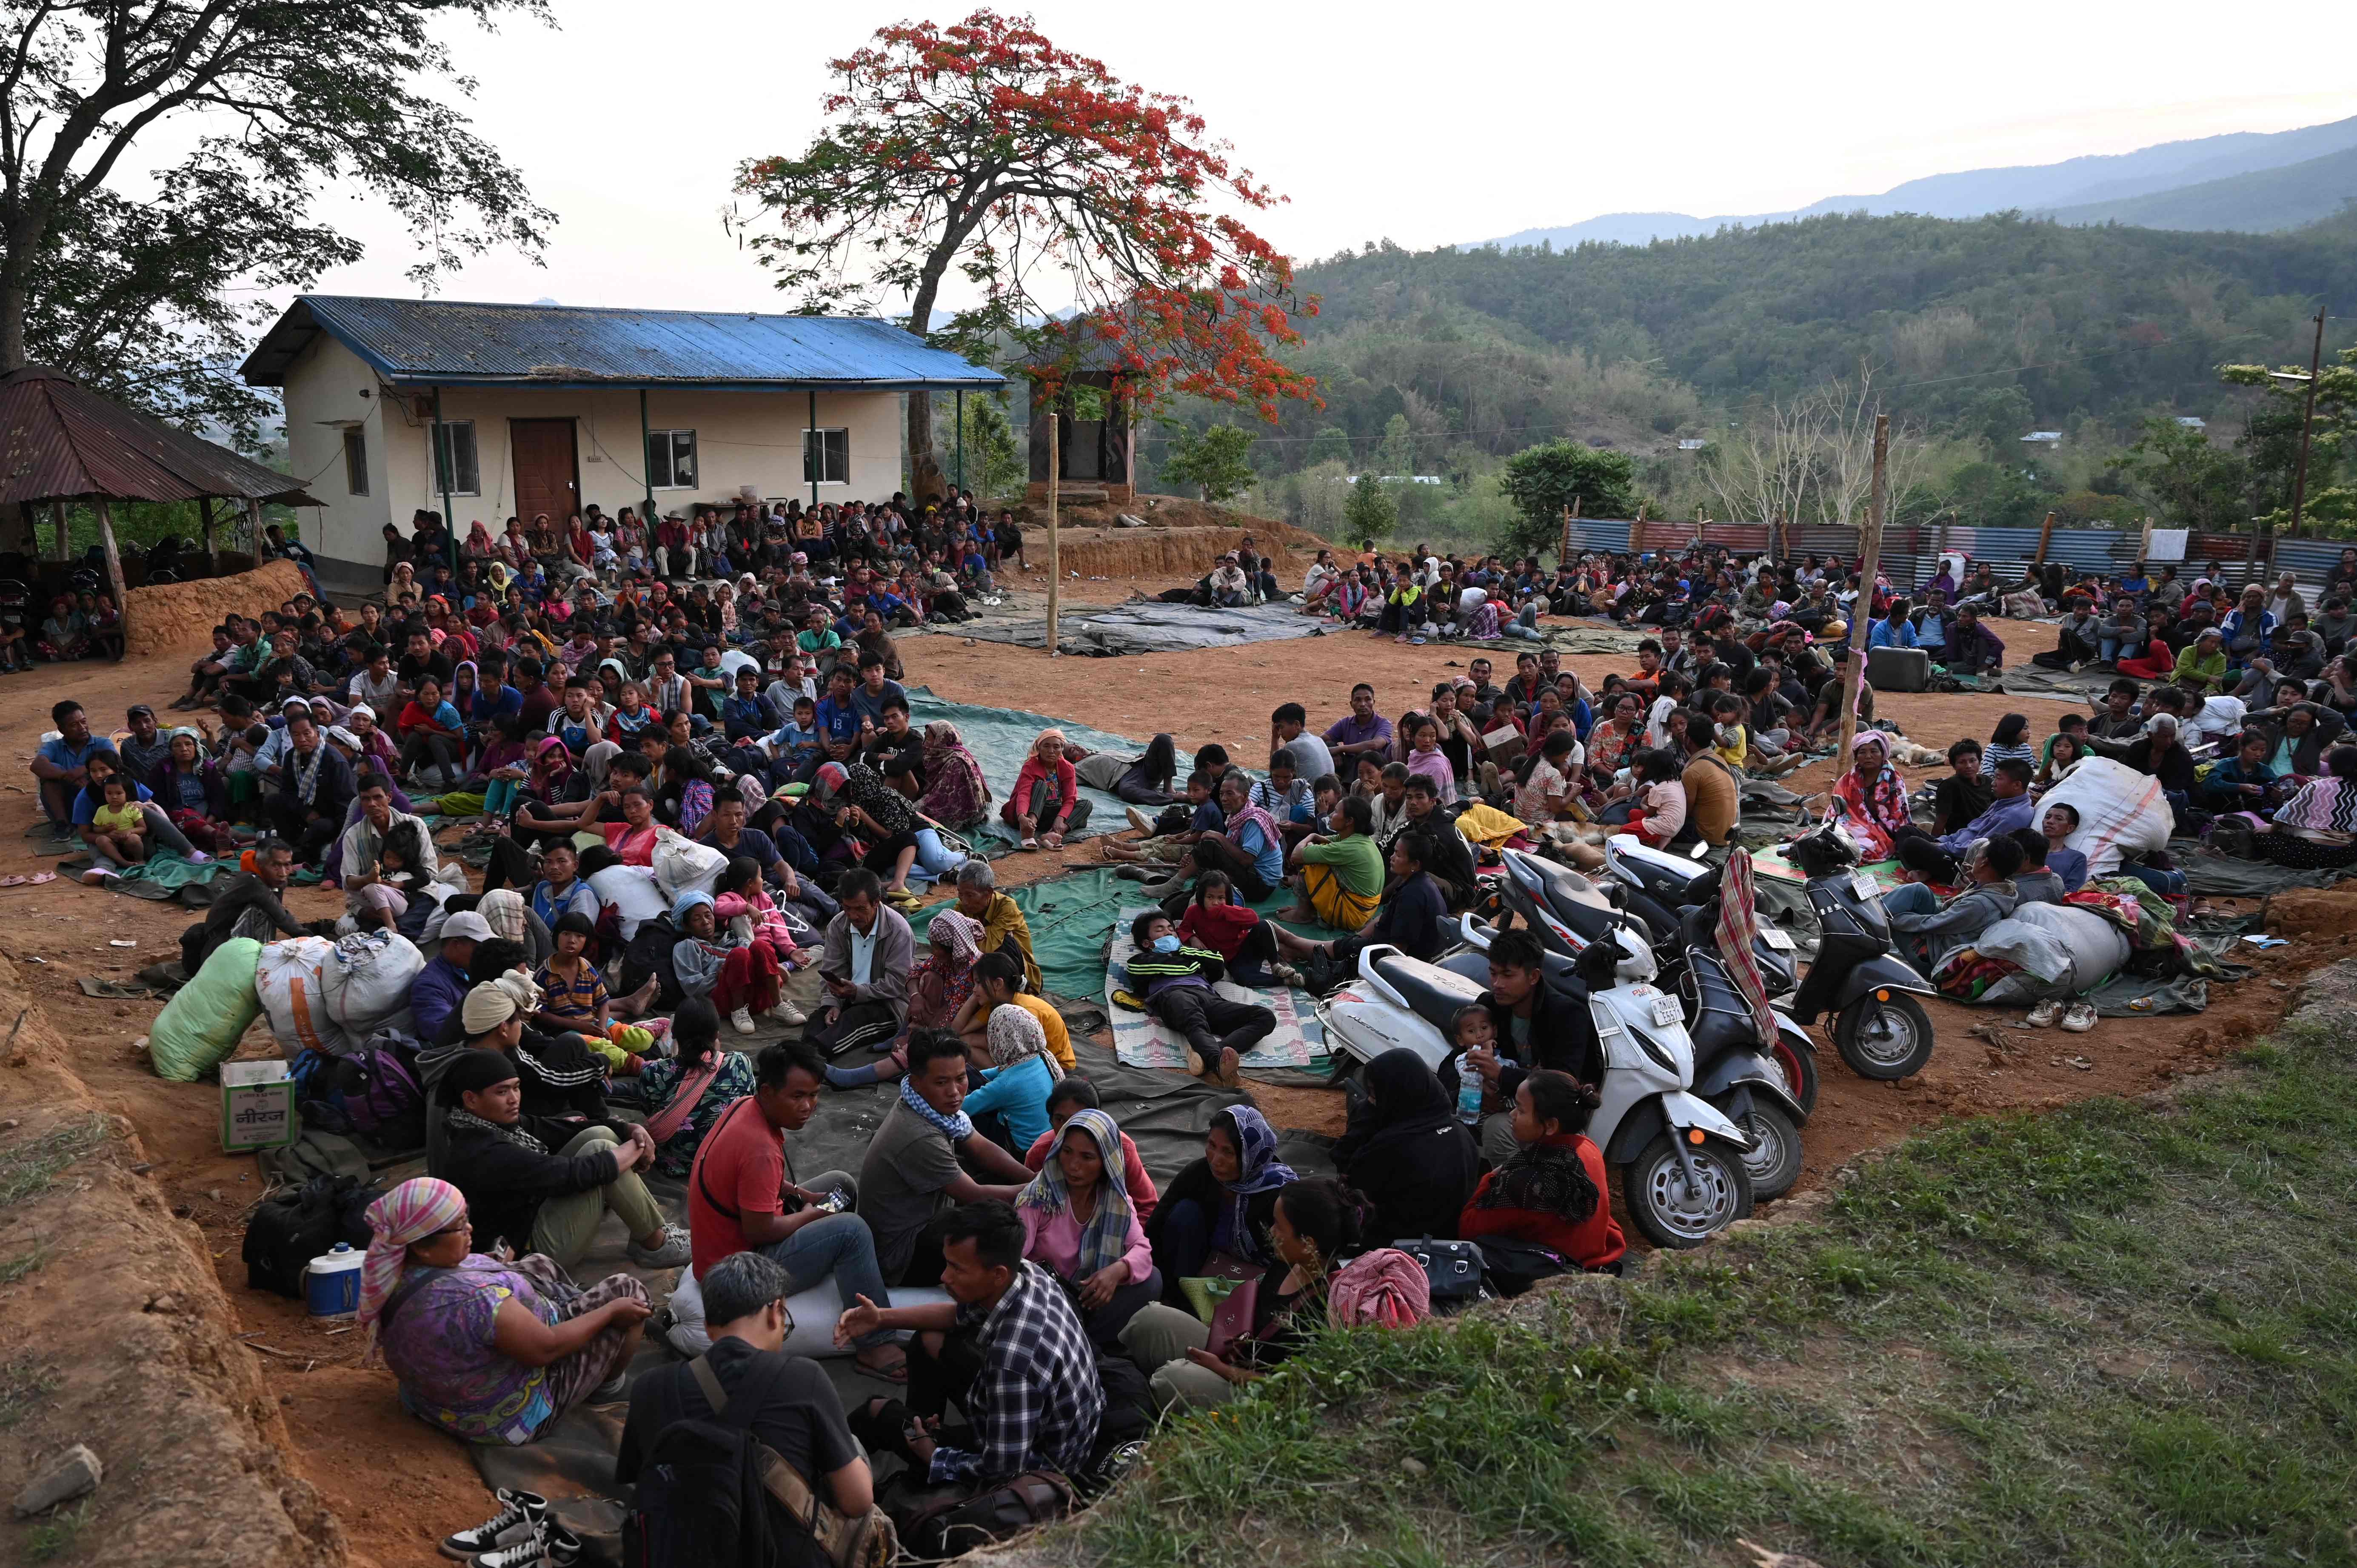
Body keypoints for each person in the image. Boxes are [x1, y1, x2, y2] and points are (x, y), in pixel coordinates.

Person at [360, 1176, 653, 1447]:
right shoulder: (474, 1300)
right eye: (460, 1226)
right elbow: (547, 1349)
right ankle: (606, 1387)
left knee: (539, 1263)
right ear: (423, 1247)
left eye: (466, 1219)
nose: (470, 1229)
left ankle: (574, 1308)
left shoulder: (391, 1273)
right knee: (627, 1291)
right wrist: (610, 1312)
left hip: (438, 1399)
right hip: (506, 1413)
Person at [838, 1202, 1103, 1495]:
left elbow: (1004, 1472)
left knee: (876, 1412)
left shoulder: (1011, 1361)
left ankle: (876, 1476)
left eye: (957, 1269)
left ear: (997, 1274)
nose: (944, 1277)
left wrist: (935, 1456)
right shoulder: (1028, 1274)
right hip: (1050, 1429)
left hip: (1042, 1472)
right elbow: (957, 1316)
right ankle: (925, 1432)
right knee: (928, 1341)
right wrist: (880, 1319)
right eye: (947, 1263)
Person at [614, 1251, 875, 1549]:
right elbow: (857, 1502)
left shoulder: (649, 1388)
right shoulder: (804, 1378)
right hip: (779, 1555)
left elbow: (640, 1485)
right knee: (852, 1449)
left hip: (677, 1553)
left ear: (709, 1327)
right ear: (776, 1310)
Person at [682, 1041, 908, 1378]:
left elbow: (746, 1184)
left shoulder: (745, 1106)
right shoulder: (760, 1147)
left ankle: (847, 1265)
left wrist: (799, 1193)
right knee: (851, 1228)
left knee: (842, 1184)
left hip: (736, 1246)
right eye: (797, 1096)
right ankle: (875, 1345)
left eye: (814, 1095)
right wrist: (812, 1213)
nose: (808, 1107)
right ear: (769, 1092)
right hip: (735, 1275)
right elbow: (759, 1231)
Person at [437, 1018, 691, 1273]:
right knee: (601, 1153)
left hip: (533, 1209)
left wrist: (629, 1129)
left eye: (516, 1089)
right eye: (502, 1092)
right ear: (470, 1099)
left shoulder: (491, 1122)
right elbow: (572, 1173)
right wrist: (639, 1145)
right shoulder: (480, 1149)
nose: (514, 1099)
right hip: (529, 1252)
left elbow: (556, 1128)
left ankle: (646, 1228)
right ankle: (654, 1243)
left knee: (600, 1132)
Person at [1119, 1177, 1358, 1411]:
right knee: (1151, 1320)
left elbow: (1291, 1389)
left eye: (1278, 1226)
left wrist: (1223, 1370)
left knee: (1171, 1379)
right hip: (1238, 1351)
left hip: (1259, 1396)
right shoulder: (1288, 1262)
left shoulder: (1325, 1308)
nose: (1271, 1231)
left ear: (1308, 1244)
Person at [856, 1030, 1035, 1286]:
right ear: (917, 1082)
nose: (955, 1092)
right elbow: (972, 1195)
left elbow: (980, 1146)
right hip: (901, 1255)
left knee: (998, 1180)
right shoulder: (919, 1135)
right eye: (941, 1083)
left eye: (961, 1078)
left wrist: (1034, 1177)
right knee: (994, 1226)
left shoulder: (928, 1105)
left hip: (929, 1215)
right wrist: (1039, 1190)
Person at [1013, 1107, 1160, 1346]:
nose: (1073, 1166)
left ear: (1106, 1161)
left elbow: (1142, 1249)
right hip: (1045, 1300)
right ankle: (1081, 1347)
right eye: (1068, 1152)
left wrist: (1115, 1272)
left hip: (1088, 1300)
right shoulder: (1039, 1198)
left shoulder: (1115, 1201)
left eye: (1087, 1157)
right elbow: (1013, 1259)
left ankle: (1086, 1346)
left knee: (1151, 1280)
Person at [1456, 1070, 1626, 1275]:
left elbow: (1468, 1227)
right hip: (1594, 1258)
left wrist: (1492, 1177)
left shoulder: (1528, 1185)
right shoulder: (1588, 1149)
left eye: (1520, 1109)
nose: (1512, 1115)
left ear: (1551, 1126)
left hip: (1554, 1272)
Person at [1144, 1104, 1297, 1295]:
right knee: (1184, 1212)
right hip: (1203, 1262)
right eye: (1212, 1146)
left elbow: (1294, 1256)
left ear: (1250, 1154)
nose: (1215, 1160)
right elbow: (1156, 1225)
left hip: (1261, 1279)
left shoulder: (1277, 1192)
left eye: (1228, 1152)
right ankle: (1181, 1295)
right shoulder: (1199, 1174)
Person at [1333, 1048, 1478, 1247]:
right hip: (1451, 1245)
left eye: (1376, 1096)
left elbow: (1346, 1166)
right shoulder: (1460, 1130)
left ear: (1398, 1096)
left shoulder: (1390, 1147)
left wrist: (1365, 1119)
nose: (1371, 1102)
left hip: (1396, 1251)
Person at [1122, 910, 1276, 1086]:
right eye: (1160, 929)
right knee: (1194, 1020)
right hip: (1173, 995)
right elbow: (1179, 968)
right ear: (1146, 943)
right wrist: (1195, 962)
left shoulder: (1186, 953)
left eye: (1171, 929)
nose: (1169, 933)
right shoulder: (1139, 961)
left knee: (1265, 1017)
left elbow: (1218, 962)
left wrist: (1186, 953)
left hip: (1209, 998)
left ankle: (1210, 1054)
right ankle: (1217, 1063)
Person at [613, 998, 756, 1177]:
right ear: (717, 1034)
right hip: (728, 1160)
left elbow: (650, 1109)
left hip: (676, 1163)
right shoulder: (740, 1063)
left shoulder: (653, 1073)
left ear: (673, 1034)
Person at [1882, 833, 2024, 975]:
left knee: (1892, 918)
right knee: (1919, 890)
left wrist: (1894, 918)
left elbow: (1933, 924)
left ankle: (1873, 918)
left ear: (1984, 862)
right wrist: (1974, 883)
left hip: (1932, 955)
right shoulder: (2000, 890)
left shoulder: (1980, 904)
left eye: (1979, 853)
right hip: (1945, 933)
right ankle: (1878, 910)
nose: (1975, 857)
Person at [808, 869, 914, 1056]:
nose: (853, 916)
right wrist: (833, 1003)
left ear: (876, 902)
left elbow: (897, 984)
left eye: (860, 909)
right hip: (847, 996)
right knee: (818, 1021)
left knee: (844, 1029)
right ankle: (801, 1057)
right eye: (847, 908)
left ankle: (810, 1062)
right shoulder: (838, 925)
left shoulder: (899, 931)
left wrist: (858, 992)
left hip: (886, 1004)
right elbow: (832, 971)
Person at [1023, 1078, 1159, 1223]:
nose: (1068, 1128)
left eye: (1079, 1118)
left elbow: (1146, 1206)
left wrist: (1129, 1242)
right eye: (1060, 1119)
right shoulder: (1040, 1152)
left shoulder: (1122, 1150)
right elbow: (1027, 1202)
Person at [672, 889, 791, 1036]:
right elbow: (692, 987)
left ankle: (778, 1004)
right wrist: (718, 976)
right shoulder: (687, 947)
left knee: (760, 946)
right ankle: (738, 1011)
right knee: (739, 954)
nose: (705, 922)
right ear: (686, 926)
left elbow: (758, 959)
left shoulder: (732, 938)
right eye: (697, 919)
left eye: (708, 916)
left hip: (758, 998)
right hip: (726, 1003)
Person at [961, 1002, 1066, 1153]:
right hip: (1047, 1140)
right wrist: (967, 1077)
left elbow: (963, 1107)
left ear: (1000, 1039)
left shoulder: (1006, 1084)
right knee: (969, 1073)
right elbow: (999, 1072)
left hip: (1021, 1151)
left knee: (967, 1119)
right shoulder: (1042, 1057)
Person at [953, 859, 1043, 995]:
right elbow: (952, 939)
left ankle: (1022, 989)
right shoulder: (962, 907)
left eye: (970, 895)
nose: (964, 901)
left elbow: (988, 947)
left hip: (1018, 969)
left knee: (1005, 944)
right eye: (960, 894)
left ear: (988, 893)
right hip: (980, 968)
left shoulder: (1007, 908)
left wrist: (966, 939)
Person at [31, 699, 117, 838]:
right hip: (66, 807)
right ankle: (63, 825)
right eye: (74, 725)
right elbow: (37, 766)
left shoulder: (102, 743)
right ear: (61, 730)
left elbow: (115, 763)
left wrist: (86, 769)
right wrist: (67, 776)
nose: (82, 728)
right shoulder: (54, 746)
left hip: (99, 805)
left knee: (101, 771)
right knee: (51, 772)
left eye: (84, 722)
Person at [411, 909, 494, 1045]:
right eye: (480, 947)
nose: (485, 953)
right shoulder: (429, 985)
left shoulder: (471, 970)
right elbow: (444, 1033)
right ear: (456, 945)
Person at [1003, 728, 1090, 849]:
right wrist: (1023, 817)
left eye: (1056, 747)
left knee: (1086, 804)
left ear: (1061, 750)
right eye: (1046, 746)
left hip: (1051, 813)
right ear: (1039, 748)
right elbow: (1024, 794)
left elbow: (1070, 799)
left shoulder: (1068, 768)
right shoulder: (1030, 766)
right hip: (1029, 813)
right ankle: (1029, 831)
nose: (1051, 751)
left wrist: (1060, 819)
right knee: (1041, 785)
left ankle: (1054, 834)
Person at [1829, 731, 1909, 861]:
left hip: (1884, 832)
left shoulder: (1894, 781)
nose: (1868, 756)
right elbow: (1839, 814)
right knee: (1833, 844)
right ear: (1856, 756)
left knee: (1867, 850)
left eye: (1874, 752)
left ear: (1883, 754)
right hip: (1853, 827)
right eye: (1862, 753)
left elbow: (1899, 817)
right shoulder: (1847, 781)